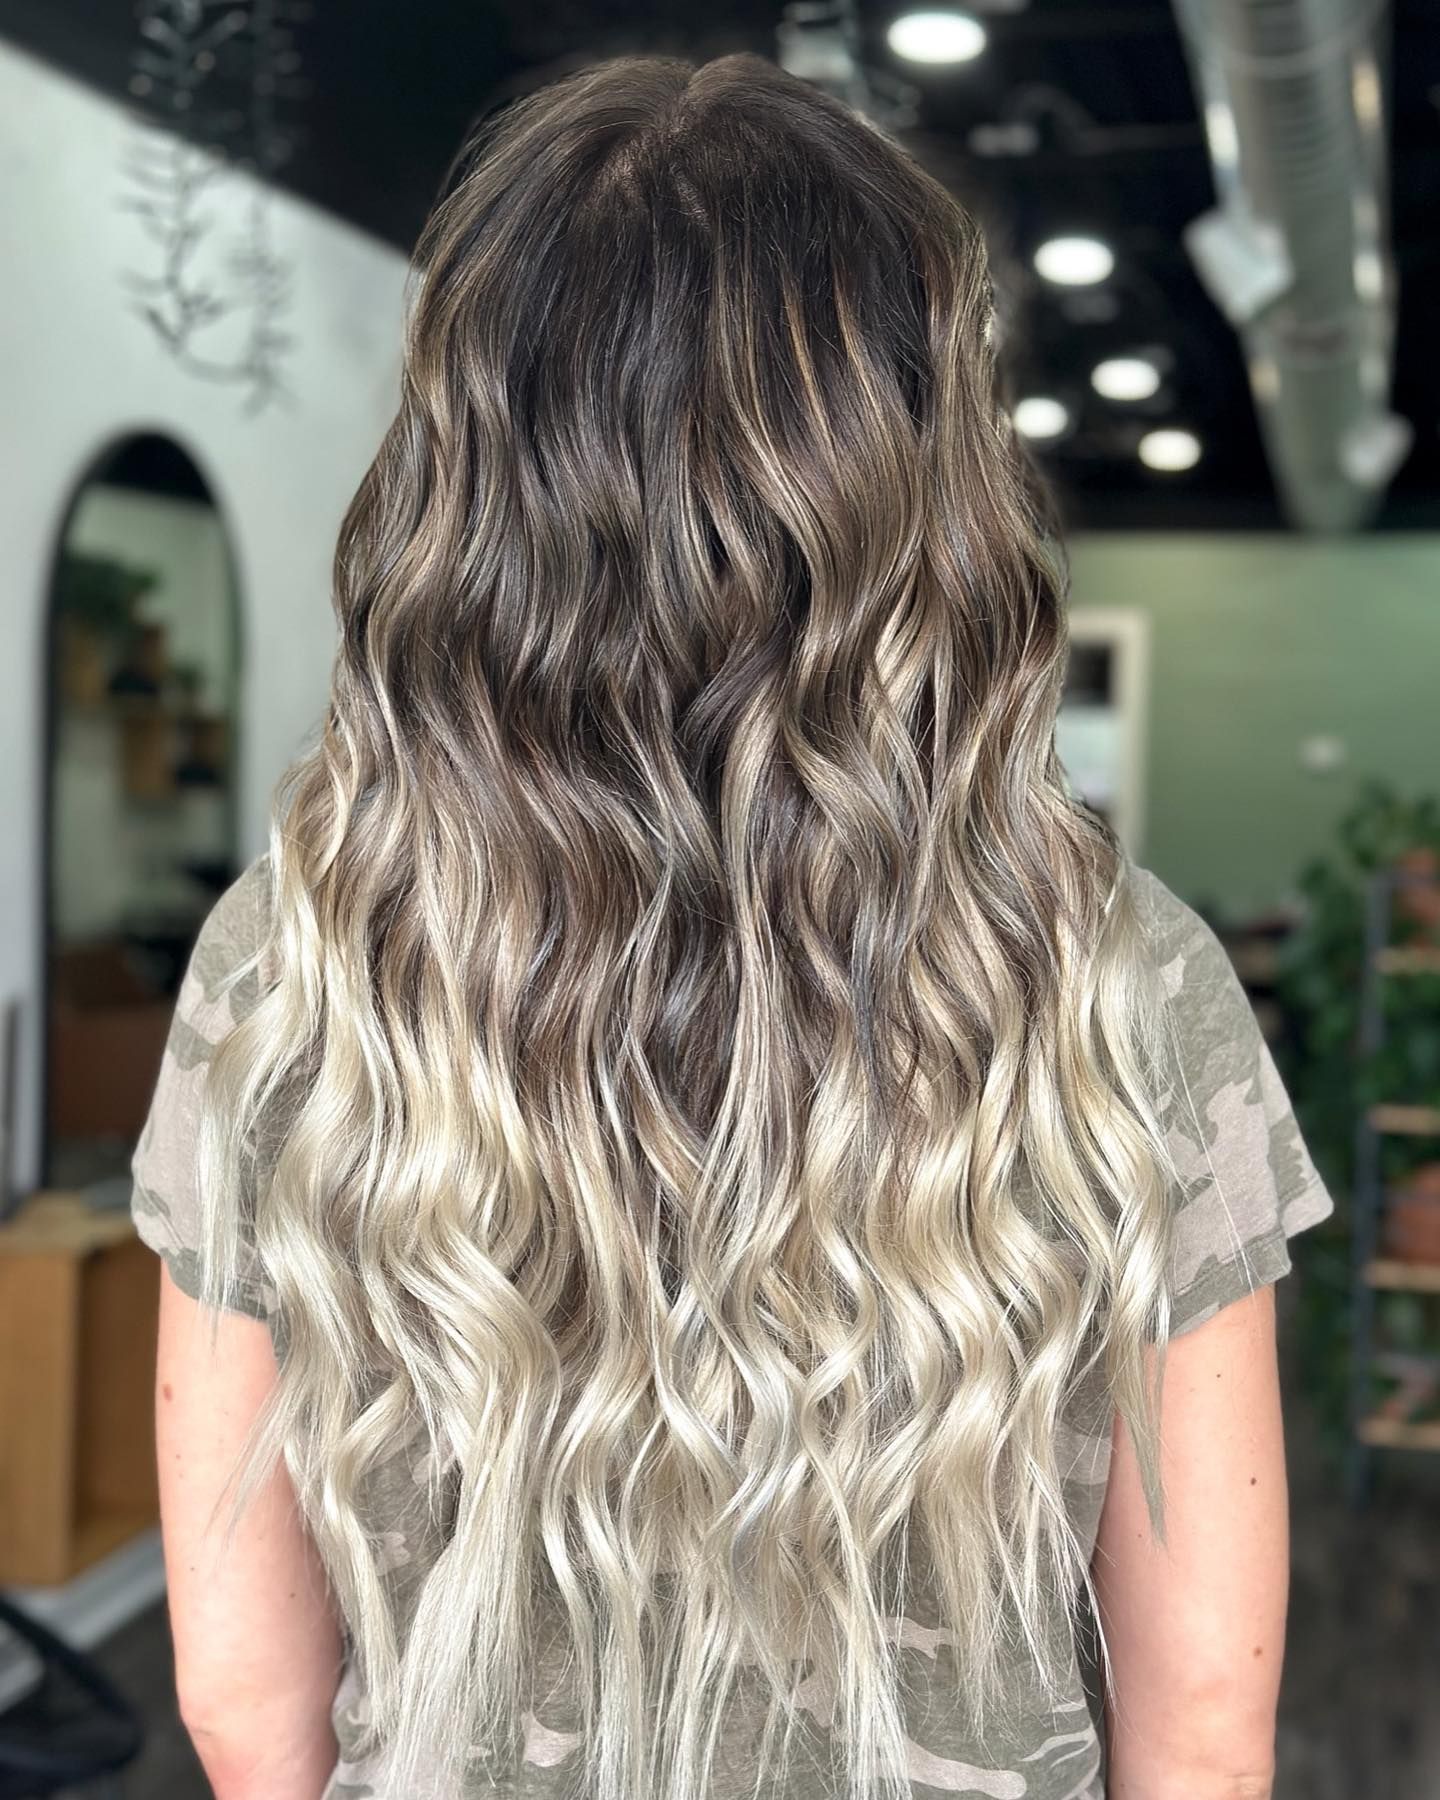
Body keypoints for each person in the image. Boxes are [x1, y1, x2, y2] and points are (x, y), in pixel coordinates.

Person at [129, 51, 1334, 1800]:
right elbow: (1205, 1721)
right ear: (919, 482)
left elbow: (243, 1701)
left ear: (475, 484)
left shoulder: (293, 964)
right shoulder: (1120, 976)